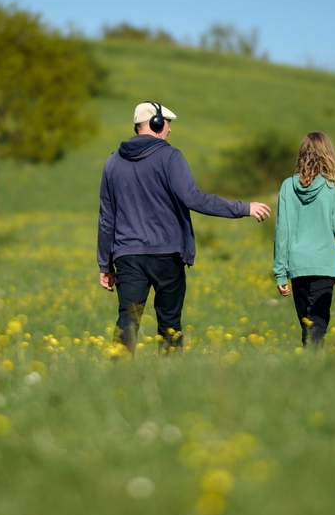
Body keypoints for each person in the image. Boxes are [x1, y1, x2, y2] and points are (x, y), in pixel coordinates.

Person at [98, 102, 271, 353]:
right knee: (169, 323)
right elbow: (194, 199)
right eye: (167, 123)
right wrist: (243, 208)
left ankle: (118, 375)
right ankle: (168, 378)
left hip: (127, 255)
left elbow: (106, 218)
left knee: (128, 318)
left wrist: (105, 264)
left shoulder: (112, 163)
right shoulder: (170, 156)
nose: (170, 130)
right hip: (167, 254)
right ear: (156, 123)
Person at [272, 132, 335, 346]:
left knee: (307, 325)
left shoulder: (287, 187)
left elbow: (282, 232)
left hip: (297, 265)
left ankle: (309, 365)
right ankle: (314, 363)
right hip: (324, 265)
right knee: (318, 323)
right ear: (328, 154)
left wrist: (280, 273)